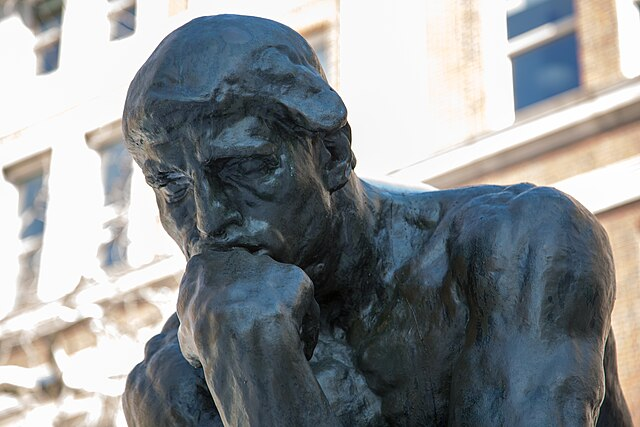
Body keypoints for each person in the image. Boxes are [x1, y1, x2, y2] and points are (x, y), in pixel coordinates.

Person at [121, 15, 632, 427]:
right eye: (172, 187)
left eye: (244, 167)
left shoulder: (519, 246)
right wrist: (252, 366)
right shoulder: (172, 384)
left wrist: (258, 378)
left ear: (332, 154)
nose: (210, 223)